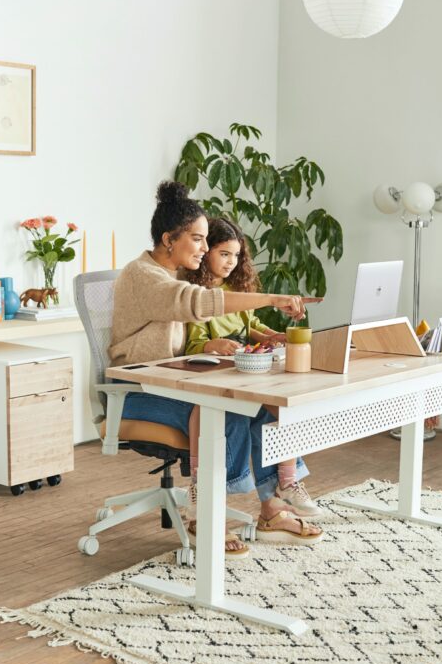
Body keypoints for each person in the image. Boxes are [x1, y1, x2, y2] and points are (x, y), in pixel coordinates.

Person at [109, 181, 323, 557]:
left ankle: (272, 508)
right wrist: (274, 298)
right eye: (197, 239)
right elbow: (199, 303)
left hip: (173, 379)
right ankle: (201, 514)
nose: (206, 249)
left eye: (207, 240)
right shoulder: (144, 276)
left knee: (258, 405)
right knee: (223, 408)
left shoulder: (175, 273)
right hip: (137, 391)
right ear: (168, 239)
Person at [184, 217, 322, 521]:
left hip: (244, 368)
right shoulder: (196, 294)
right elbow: (192, 345)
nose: (231, 262)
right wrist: (212, 344)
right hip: (214, 373)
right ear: (206, 251)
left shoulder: (237, 290)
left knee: (281, 406)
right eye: (224, 254)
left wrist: (273, 337)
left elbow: (251, 326)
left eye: (236, 255)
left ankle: (287, 482)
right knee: (235, 409)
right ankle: (202, 485)